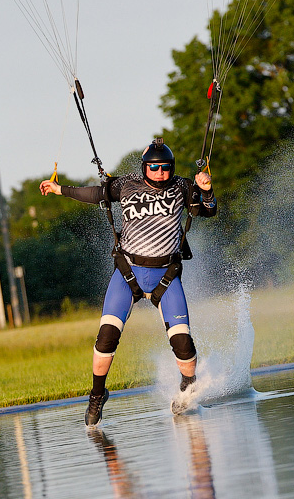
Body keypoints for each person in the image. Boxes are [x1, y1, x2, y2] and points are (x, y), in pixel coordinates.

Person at [40, 138, 217, 426]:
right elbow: (96, 193)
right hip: (128, 273)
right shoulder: (126, 184)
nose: (160, 173)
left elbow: (208, 210)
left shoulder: (184, 187)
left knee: (183, 344)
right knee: (106, 337)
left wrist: (207, 191)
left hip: (166, 275)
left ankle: (187, 389)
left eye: (165, 168)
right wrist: (60, 189)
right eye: (154, 168)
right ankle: (97, 395)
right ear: (145, 167)